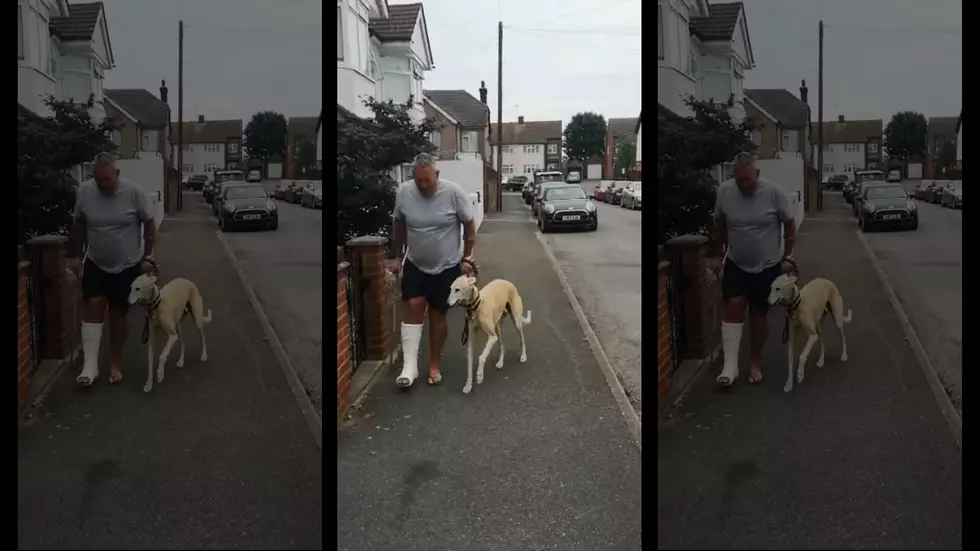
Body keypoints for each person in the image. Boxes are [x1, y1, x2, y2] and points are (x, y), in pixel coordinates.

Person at [389, 153, 477, 387]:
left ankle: (433, 363)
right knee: (414, 306)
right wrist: (397, 256)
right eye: (419, 181)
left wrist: (468, 258)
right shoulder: (404, 192)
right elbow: (399, 225)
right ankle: (409, 367)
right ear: (413, 177)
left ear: (436, 174)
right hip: (416, 263)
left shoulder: (453, 193)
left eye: (428, 180)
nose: (424, 186)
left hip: (447, 266)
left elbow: (469, 226)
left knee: (438, 314)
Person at [71, 152, 157, 386]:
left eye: (108, 181)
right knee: (94, 305)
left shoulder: (134, 192)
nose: (104, 186)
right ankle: (90, 366)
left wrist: (148, 255)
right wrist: (76, 256)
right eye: (99, 181)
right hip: (97, 262)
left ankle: (114, 362)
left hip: (127, 265)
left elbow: (149, 223)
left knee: (118, 315)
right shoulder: (85, 191)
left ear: (117, 174)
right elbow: (79, 224)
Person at [713, 152, 797, 386]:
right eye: (739, 180)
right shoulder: (725, 192)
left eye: (748, 180)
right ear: (734, 177)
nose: (744, 185)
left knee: (759, 315)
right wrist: (719, 251)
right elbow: (719, 222)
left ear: (757, 175)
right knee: (734, 306)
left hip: (767, 266)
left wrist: (788, 256)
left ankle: (754, 361)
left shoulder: (774, 192)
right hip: (737, 263)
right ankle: (729, 368)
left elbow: (789, 224)